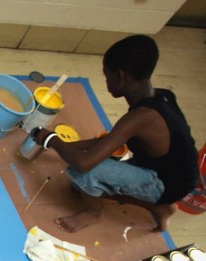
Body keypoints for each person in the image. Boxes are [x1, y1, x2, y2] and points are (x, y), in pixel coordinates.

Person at [34, 34, 199, 233]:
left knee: (84, 174)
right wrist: (59, 143)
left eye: (107, 75)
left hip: (167, 183)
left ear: (120, 76)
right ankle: (160, 207)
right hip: (175, 172)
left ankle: (94, 213)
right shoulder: (163, 95)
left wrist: (52, 140)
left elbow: (84, 163)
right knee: (78, 187)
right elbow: (106, 142)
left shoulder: (142, 117)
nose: (106, 82)